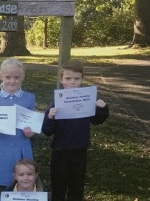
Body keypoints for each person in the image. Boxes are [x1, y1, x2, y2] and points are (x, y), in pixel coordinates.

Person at [42, 59, 109, 201]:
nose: (72, 82)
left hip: (79, 151)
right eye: (68, 78)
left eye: (76, 79)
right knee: (58, 187)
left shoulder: (87, 100)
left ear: (82, 79)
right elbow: (47, 131)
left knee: (77, 187)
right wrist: (50, 117)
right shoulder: (56, 102)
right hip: (60, 152)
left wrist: (102, 108)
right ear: (61, 79)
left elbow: (96, 120)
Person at [0, 58, 36, 201]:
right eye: (8, 77)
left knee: (24, 183)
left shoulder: (29, 98)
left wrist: (30, 132)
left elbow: (31, 123)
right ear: (1, 76)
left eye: (16, 77)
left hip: (21, 147)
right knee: (1, 184)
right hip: (1, 147)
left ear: (22, 77)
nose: (12, 81)